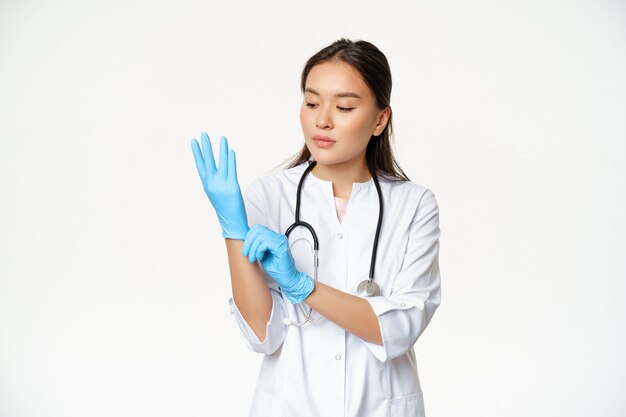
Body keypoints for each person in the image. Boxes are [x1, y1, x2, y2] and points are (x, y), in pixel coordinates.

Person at [190, 38, 442, 417]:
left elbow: (401, 326)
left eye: (344, 107)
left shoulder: (414, 205)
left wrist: (303, 287)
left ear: (379, 119)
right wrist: (233, 229)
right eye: (311, 103)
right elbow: (262, 335)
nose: (322, 120)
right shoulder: (270, 196)